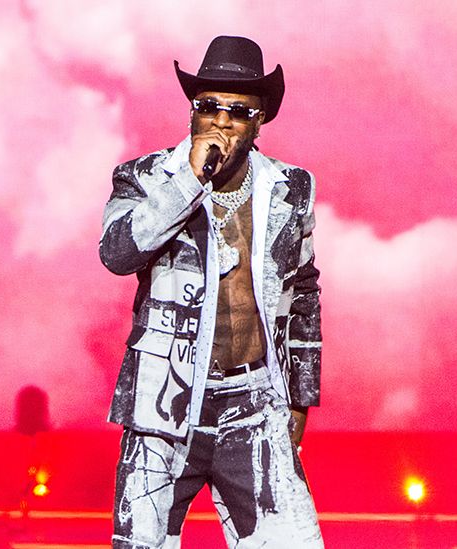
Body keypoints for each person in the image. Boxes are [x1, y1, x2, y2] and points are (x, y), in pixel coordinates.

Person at [100, 36, 323, 547]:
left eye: (238, 112)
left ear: (260, 119)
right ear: (191, 113)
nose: (221, 122)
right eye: (208, 107)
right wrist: (188, 183)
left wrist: (300, 399)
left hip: (255, 403)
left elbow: (304, 292)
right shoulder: (145, 177)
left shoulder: (292, 188)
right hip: (165, 403)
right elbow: (116, 253)